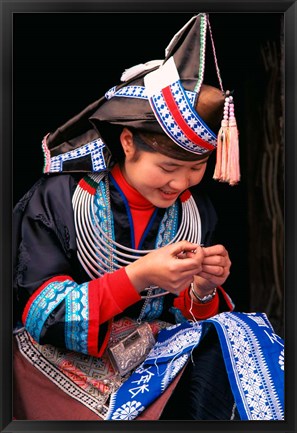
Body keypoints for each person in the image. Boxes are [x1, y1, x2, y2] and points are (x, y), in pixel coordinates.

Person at [13, 13, 284, 421]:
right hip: (61, 367)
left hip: (154, 362)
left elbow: (187, 319)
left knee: (240, 336)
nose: (181, 183)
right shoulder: (60, 199)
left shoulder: (195, 212)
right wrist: (138, 277)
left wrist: (204, 289)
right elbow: (41, 314)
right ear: (128, 142)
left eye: (196, 168)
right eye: (167, 167)